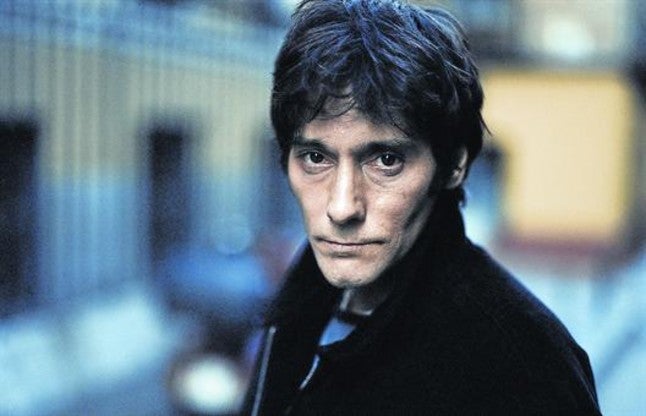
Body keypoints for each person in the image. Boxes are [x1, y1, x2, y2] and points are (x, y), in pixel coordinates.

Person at [242, 0, 601, 414]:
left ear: (453, 166)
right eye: (316, 158)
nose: (341, 208)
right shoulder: (301, 299)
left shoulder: (524, 366)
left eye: (386, 160)